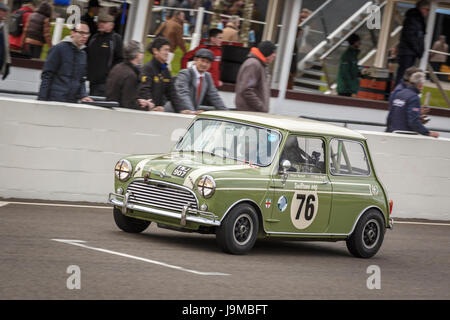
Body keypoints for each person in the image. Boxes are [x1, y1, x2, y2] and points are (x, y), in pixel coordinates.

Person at [38, 22, 93, 103]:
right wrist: (42, 100)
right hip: (54, 100)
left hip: (72, 101)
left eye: (87, 33)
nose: (85, 36)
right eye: (81, 33)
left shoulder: (83, 54)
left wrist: (83, 95)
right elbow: (47, 75)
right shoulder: (59, 49)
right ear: (72, 33)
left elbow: (81, 79)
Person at [173, 48, 226, 114]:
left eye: (207, 62)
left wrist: (226, 112)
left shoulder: (207, 76)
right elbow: (183, 94)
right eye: (202, 61)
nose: (204, 64)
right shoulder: (185, 73)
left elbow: (215, 96)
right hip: (176, 113)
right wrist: (192, 111)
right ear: (195, 60)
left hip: (191, 114)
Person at [106, 41, 155, 111]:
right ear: (138, 55)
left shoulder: (116, 67)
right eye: (142, 52)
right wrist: (147, 106)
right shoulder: (131, 75)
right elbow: (128, 104)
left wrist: (139, 101)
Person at [387, 71, 439, 138]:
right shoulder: (414, 98)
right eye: (423, 84)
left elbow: (391, 115)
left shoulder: (399, 94)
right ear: (420, 85)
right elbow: (413, 122)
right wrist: (428, 133)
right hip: (404, 136)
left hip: (391, 133)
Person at [86, 12, 123, 97]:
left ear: (112, 25)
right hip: (90, 81)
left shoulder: (115, 39)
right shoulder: (94, 37)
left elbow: (120, 59)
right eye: (100, 22)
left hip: (105, 83)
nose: (101, 24)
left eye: (105, 23)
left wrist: (110, 75)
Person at [235, 40, 277, 113]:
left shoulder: (259, 64)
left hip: (252, 112)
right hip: (249, 113)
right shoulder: (254, 64)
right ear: (267, 53)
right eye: (273, 55)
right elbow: (246, 90)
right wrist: (261, 107)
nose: (274, 57)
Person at [395, 0, 430, 85]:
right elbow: (410, 36)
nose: (428, 12)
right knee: (404, 75)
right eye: (427, 9)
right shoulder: (413, 19)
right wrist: (418, 49)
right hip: (408, 52)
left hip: (411, 52)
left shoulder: (417, 20)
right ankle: (398, 93)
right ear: (421, 8)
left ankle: (401, 93)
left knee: (407, 75)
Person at [137, 37, 172, 112]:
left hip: (158, 112)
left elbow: (172, 93)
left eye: (168, 50)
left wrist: (182, 109)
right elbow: (144, 89)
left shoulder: (165, 70)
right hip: (146, 112)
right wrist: (153, 107)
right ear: (155, 51)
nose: (167, 53)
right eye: (165, 50)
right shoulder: (147, 68)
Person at [386, 66, 422, 132]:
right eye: (419, 79)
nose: (421, 82)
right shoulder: (402, 92)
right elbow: (398, 113)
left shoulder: (399, 91)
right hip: (400, 131)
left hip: (393, 129)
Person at [0, 2, 11, 80]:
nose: (5, 13)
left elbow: (6, 46)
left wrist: (7, 63)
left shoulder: (4, 27)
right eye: (3, 10)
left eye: (6, 11)